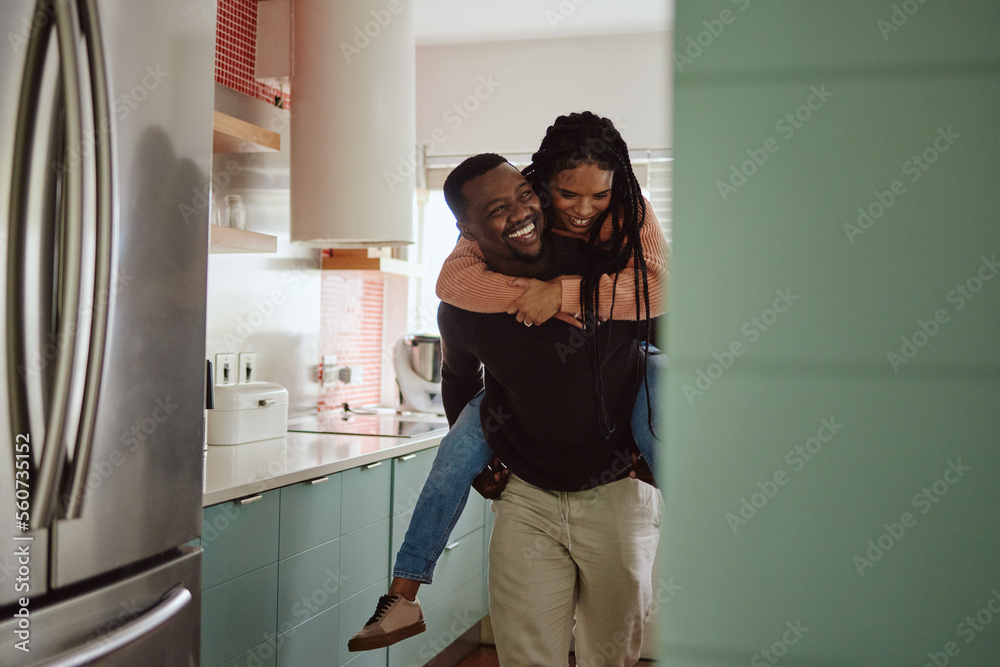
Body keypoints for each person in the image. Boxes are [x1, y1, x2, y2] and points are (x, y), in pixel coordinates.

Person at [348, 114, 667, 655]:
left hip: (615, 496)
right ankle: (403, 595)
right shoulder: (470, 286)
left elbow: (661, 301)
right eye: (567, 194)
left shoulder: (617, 247)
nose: (584, 210)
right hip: (528, 499)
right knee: (524, 655)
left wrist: (566, 293)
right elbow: (456, 360)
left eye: (599, 197)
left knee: (609, 656)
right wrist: (527, 295)